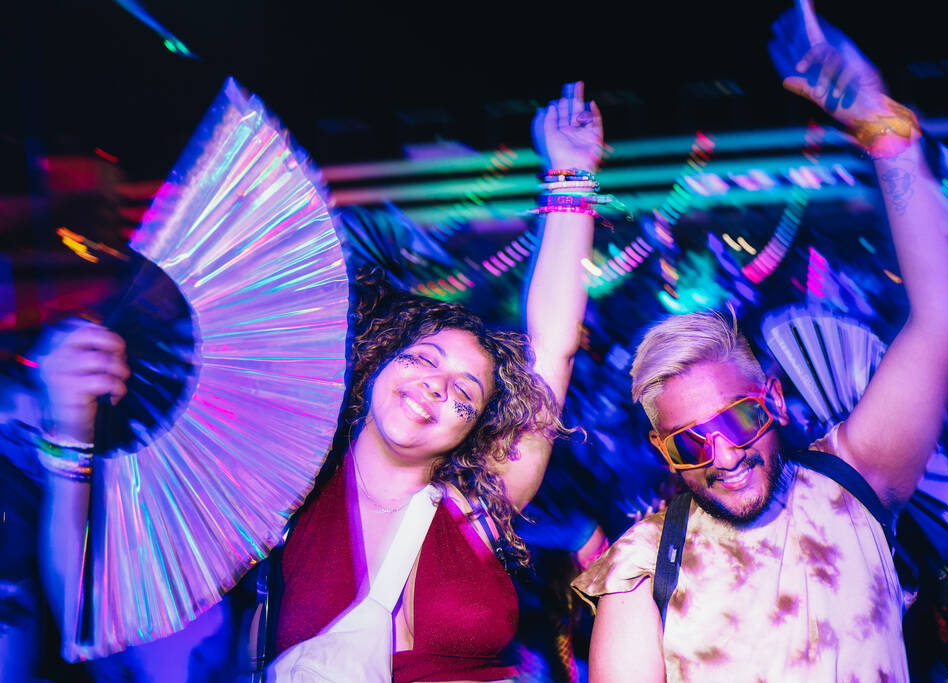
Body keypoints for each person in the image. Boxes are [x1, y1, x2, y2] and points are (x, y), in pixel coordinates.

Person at [34, 82, 604, 683]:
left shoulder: (480, 507)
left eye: (467, 392)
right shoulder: (279, 505)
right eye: (423, 359)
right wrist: (65, 430)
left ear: (473, 427)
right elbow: (84, 603)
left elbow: (548, 349)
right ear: (377, 364)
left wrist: (569, 174)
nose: (440, 385)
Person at [571, 5, 948, 683]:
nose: (723, 454)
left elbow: (937, 313)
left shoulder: (854, 477)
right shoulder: (640, 565)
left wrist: (885, 133)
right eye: (690, 441)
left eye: (739, 418)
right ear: (661, 452)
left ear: (773, 399)